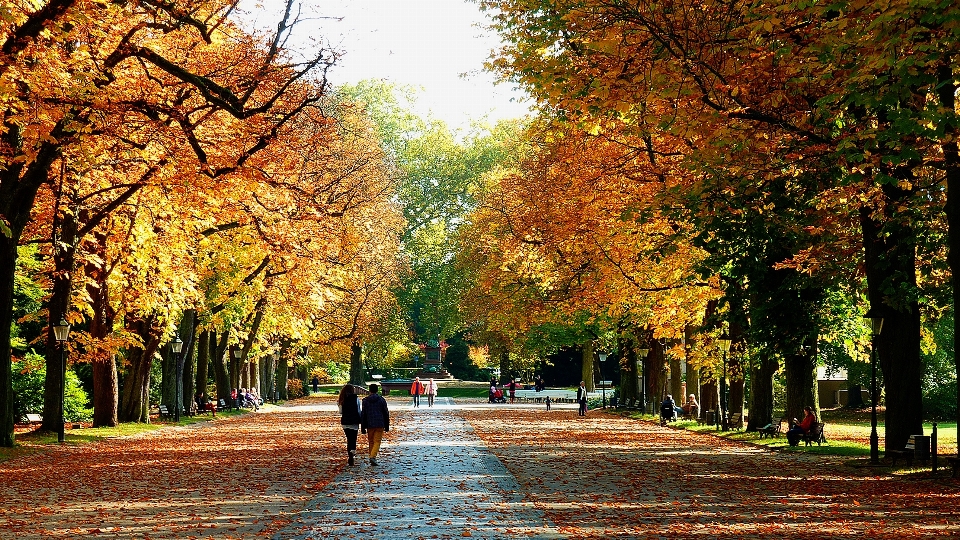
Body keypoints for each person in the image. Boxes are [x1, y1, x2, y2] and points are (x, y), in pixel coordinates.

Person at [361, 383, 390, 465]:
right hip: (380, 423)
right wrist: (387, 425)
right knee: (377, 441)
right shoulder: (381, 400)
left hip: (370, 423)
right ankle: (372, 457)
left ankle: (372, 456)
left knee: (371, 441)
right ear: (377, 390)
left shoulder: (365, 401)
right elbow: (385, 413)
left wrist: (363, 427)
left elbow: (364, 414)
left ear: (369, 390)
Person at [338, 384, 362, 465]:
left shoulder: (341, 399)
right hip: (354, 421)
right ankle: (352, 451)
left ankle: (350, 454)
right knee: (353, 438)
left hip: (345, 421)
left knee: (349, 439)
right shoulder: (356, 398)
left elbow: (340, 412)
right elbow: (359, 410)